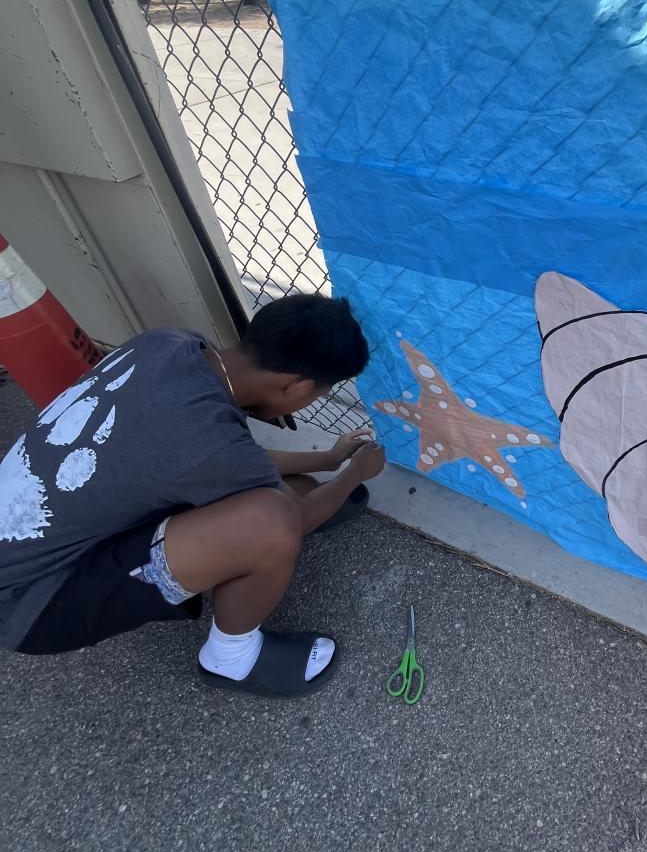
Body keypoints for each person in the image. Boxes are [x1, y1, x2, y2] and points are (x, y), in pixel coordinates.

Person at [0, 293, 386, 697]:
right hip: (33, 602)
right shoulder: (204, 441)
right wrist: (354, 472)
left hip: (35, 546)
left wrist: (326, 460)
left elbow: (228, 457)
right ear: (297, 387)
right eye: (318, 394)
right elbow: (291, 516)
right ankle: (232, 659)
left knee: (292, 493)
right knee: (272, 523)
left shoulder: (172, 343)